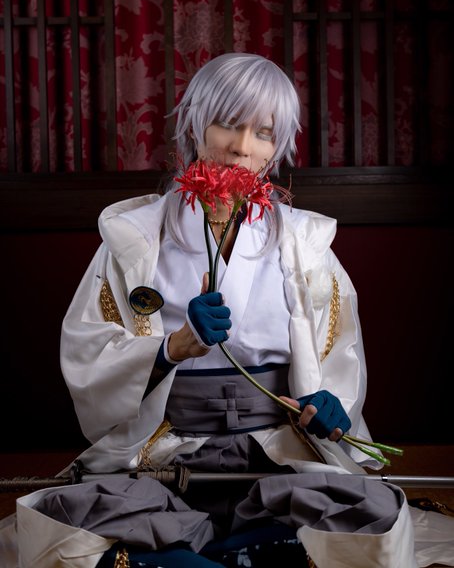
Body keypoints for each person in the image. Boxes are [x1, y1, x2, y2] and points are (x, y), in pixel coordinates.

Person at [15, 53, 418, 567]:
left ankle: (205, 554)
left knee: (368, 510)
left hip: (276, 447)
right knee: (75, 514)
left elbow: (339, 352)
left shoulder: (304, 244)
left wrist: (330, 405)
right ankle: (249, 554)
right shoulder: (135, 239)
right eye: (228, 123)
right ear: (194, 125)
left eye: (264, 133)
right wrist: (171, 348)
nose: (243, 148)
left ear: (277, 146)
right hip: (166, 448)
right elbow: (87, 353)